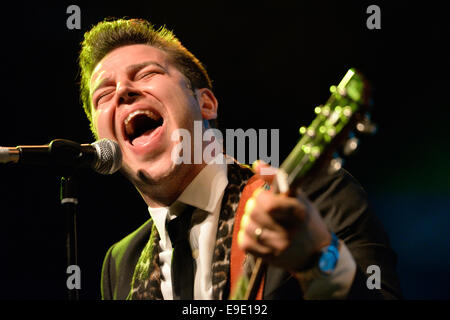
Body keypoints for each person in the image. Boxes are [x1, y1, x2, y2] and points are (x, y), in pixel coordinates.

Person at [78, 18, 402, 300]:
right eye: (103, 94)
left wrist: (318, 259)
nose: (122, 91)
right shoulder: (120, 262)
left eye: (146, 73)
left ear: (205, 104)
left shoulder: (309, 196)